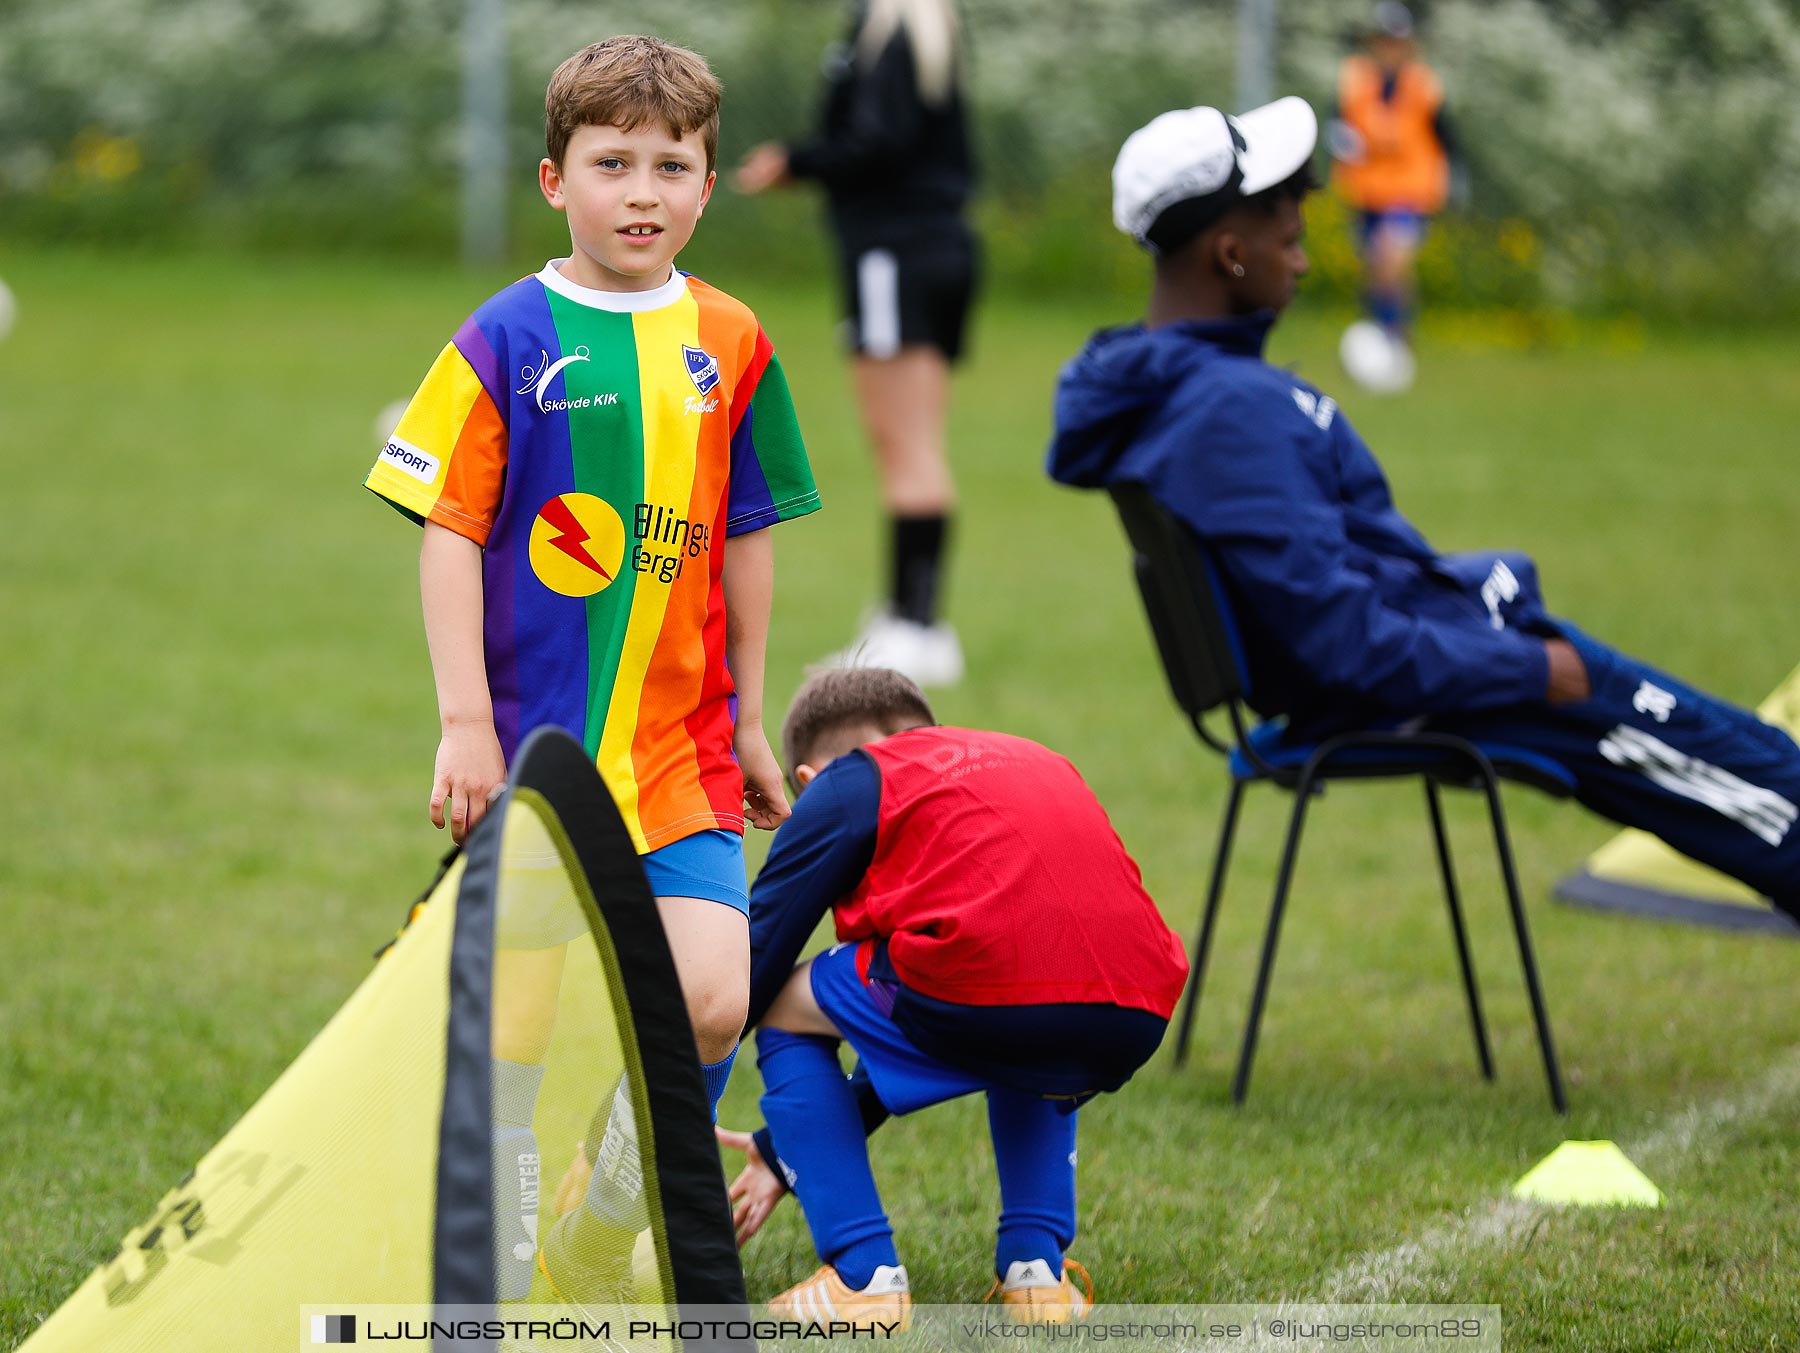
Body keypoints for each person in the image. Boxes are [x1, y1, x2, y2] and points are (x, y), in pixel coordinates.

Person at [1046, 98, 1800, 917]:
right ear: (1229, 253)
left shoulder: (1176, 389)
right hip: (1417, 686)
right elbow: (1344, 644)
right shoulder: (1230, 412)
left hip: (1430, 654)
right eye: (1291, 241)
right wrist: (1533, 667)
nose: (1302, 263)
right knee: (1760, 778)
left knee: (1753, 751)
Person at [362, 35, 819, 1300]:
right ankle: (503, 1266)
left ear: (710, 187)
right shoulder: (503, 335)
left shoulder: (731, 341)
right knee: (509, 1042)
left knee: (715, 1003)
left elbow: (747, 535)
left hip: (678, 754)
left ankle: (600, 1227)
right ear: (555, 178)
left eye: (673, 166)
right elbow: (449, 531)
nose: (644, 193)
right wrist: (465, 725)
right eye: (612, 162)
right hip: (537, 763)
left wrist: (747, 719)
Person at [713, 668, 1188, 1326]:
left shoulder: (850, 779)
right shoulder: (1030, 756)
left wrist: (644, 1119)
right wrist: (784, 1149)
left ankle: (864, 1276)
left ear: (806, 779)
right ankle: (1035, 1275)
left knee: (782, 1008)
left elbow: (750, 967)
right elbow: (949, 1028)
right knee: (1021, 985)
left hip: (984, 986)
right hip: (1139, 1003)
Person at [735, 0, 977, 686]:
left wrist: (795, 161)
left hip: (894, 256)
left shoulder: (894, 29)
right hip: (935, 248)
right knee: (919, 442)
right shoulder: (921, 27)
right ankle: (918, 618)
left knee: (903, 446)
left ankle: (914, 626)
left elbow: (878, 144)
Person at [1329, 1, 1455, 376]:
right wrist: (1339, 139)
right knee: (1375, 269)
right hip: (1367, 191)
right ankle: (1381, 336)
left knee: (1391, 259)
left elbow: (1445, 135)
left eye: (1396, 41)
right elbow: (1337, 123)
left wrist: (1454, 174)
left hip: (1410, 190)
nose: (1390, 49)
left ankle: (1395, 339)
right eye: (1384, 41)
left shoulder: (1423, 85)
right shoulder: (1355, 79)